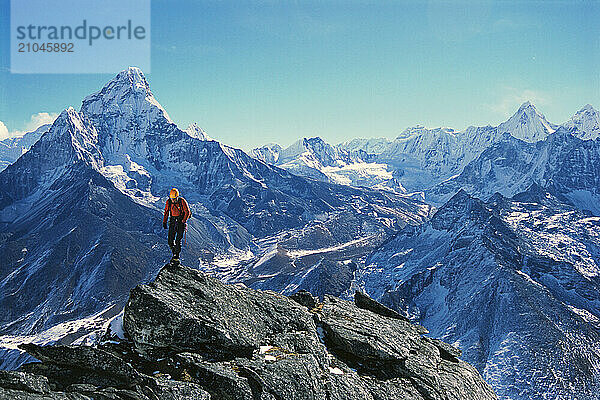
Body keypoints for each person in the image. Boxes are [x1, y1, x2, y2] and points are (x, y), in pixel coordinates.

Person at [162, 188, 191, 261]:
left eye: (174, 199)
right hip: (173, 221)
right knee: (170, 241)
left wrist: (183, 221)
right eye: (172, 199)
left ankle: (176, 255)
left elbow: (187, 212)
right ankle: (174, 252)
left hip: (180, 222)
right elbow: (166, 212)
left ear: (177, 197)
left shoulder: (182, 201)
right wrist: (164, 222)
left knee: (178, 240)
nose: (173, 200)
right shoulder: (169, 202)